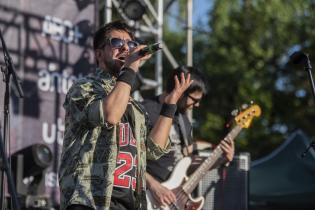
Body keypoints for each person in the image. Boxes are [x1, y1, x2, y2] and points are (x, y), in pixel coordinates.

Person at [58, 20, 193, 210]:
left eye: (130, 44)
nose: (125, 48)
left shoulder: (135, 108)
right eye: (116, 43)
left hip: (129, 203)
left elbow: (154, 150)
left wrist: (170, 105)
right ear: (99, 53)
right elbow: (110, 115)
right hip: (90, 199)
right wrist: (130, 68)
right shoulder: (85, 87)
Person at [142, 66, 235, 207]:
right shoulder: (144, 110)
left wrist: (221, 159)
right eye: (194, 100)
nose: (197, 105)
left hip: (174, 200)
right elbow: (129, 159)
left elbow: (188, 163)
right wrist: (154, 186)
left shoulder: (183, 119)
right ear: (180, 91)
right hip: (149, 196)